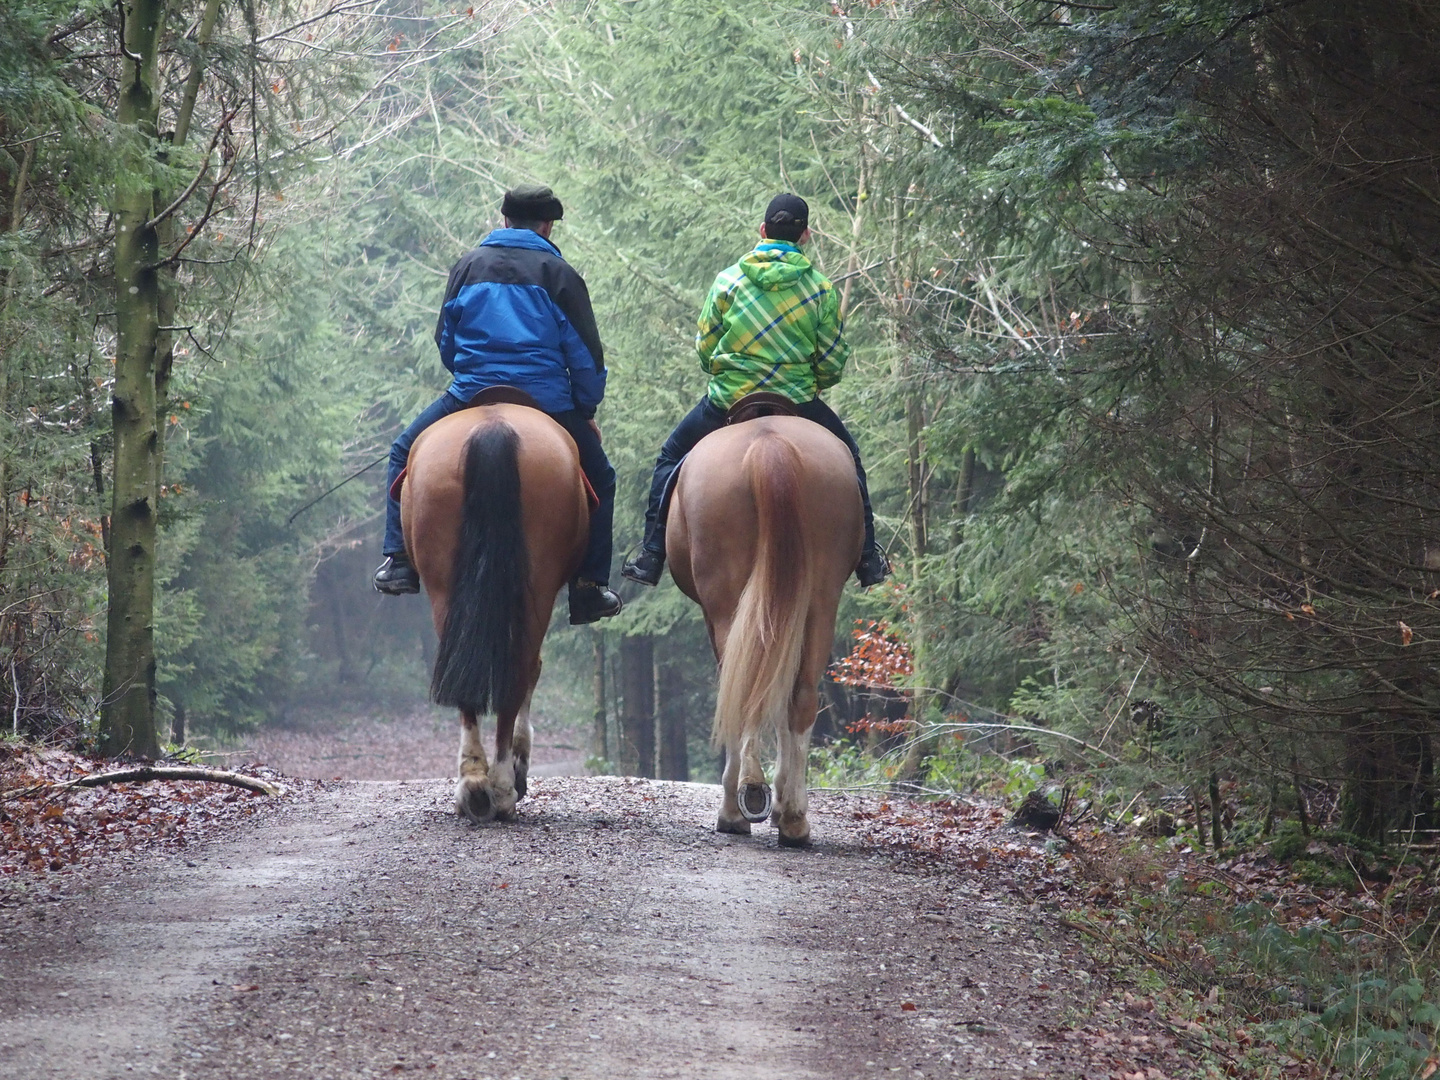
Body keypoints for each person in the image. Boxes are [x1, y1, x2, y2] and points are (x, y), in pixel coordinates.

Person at [373, 184, 623, 625]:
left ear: (504, 219)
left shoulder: (468, 266)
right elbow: (585, 356)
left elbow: (445, 341)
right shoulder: (560, 274)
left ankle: (399, 560)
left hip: (472, 391)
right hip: (547, 401)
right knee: (600, 476)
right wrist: (585, 408)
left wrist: (470, 371)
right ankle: (589, 587)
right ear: (546, 226)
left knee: (401, 451)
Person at [622, 194, 889, 589]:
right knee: (848, 457)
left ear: (762, 231)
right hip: (797, 401)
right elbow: (832, 361)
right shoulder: (819, 289)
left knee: (671, 456)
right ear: (805, 235)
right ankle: (868, 558)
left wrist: (727, 369)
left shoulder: (728, 281)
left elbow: (706, 348)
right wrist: (809, 380)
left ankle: (651, 553)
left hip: (731, 398)